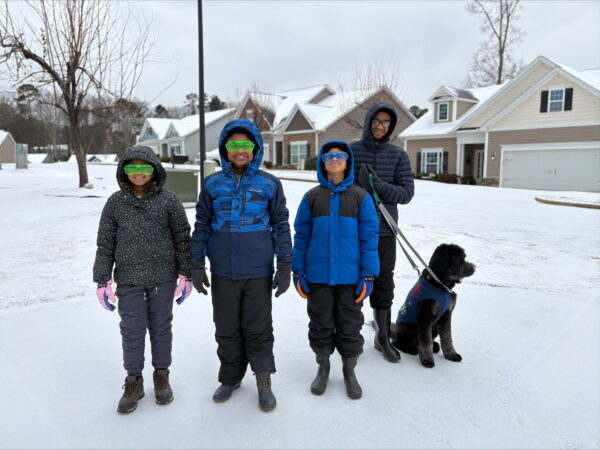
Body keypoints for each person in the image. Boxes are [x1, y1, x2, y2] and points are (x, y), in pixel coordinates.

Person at [190, 119, 292, 412]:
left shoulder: (270, 183)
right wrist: (196, 263)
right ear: (224, 148)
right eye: (233, 145)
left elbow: (281, 225)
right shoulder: (212, 184)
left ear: (255, 149)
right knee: (226, 327)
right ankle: (230, 377)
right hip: (223, 270)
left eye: (245, 145)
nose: (239, 151)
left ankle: (263, 380)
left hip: (258, 270)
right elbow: (202, 225)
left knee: (258, 327)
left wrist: (285, 264)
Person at [93, 146, 192, 414]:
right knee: (132, 330)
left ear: (155, 170)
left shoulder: (169, 201)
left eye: (145, 168)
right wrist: (102, 280)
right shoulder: (115, 202)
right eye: (132, 168)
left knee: (161, 328)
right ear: (123, 171)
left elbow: (182, 238)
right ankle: (133, 381)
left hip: (163, 277)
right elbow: (105, 243)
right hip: (129, 279)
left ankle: (162, 377)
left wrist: (187, 273)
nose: (138, 173)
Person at [292, 141, 379, 399]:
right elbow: (301, 236)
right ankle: (323, 368)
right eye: (328, 156)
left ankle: (349, 372)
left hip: (350, 278)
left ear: (347, 161)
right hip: (318, 277)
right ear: (322, 162)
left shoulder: (360, 197)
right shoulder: (311, 197)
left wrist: (368, 275)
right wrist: (299, 273)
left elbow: (369, 239)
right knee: (320, 323)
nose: (334, 159)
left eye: (339, 155)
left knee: (350, 325)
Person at [350, 102, 415, 363]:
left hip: (385, 230)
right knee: (353, 280)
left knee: (383, 280)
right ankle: (350, 337)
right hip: (353, 231)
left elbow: (406, 194)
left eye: (386, 123)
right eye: (376, 121)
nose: (380, 126)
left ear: (391, 126)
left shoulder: (399, 156)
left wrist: (379, 185)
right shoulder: (351, 151)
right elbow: (337, 185)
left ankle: (382, 337)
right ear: (368, 122)